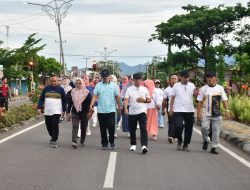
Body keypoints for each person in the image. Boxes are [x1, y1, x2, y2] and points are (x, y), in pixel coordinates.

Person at [197, 72, 229, 154]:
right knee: (204, 127)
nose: (209, 79)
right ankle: (206, 139)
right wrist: (198, 113)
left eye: (211, 77)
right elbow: (199, 102)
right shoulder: (203, 89)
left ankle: (214, 147)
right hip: (205, 113)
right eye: (208, 77)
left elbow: (224, 100)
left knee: (216, 131)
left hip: (216, 114)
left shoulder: (220, 88)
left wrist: (227, 110)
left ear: (215, 78)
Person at [89, 69, 121, 150]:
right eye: (103, 77)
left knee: (111, 126)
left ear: (109, 76)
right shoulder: (98, 85)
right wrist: (91, 105)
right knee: (102, 128)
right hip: (101, 110)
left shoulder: (114, 86)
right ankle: (104, 143)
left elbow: (117, 97)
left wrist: (119, 107)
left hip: (111, 110)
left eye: (106, 77)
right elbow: (95, 96)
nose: (104, 78)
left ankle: (112, 142)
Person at [169, 71, 198, 151]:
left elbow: (196, 97)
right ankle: (180, 140)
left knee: (189, 129)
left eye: (188, 77)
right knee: (178, 126)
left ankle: (186, 145)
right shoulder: (176, 86)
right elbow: (172, 98)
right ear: (180, 77)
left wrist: (196, 94)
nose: (186, 79)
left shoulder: (192, 85)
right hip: (178, 110)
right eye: (185, 77)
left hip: (189, 110)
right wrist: (171, 109)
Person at [124, 73, 151, 154]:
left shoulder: (144, 89)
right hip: (132, 112)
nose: (138, 81)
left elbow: (149, 100)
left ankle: (144, 146)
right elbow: (126, 100)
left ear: (141, 80)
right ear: (133, 80)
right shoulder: (129, 89)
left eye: (140, 79)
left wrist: (144, 100)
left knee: (143, 129)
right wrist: (125, 109)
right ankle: (133, 144)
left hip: (142, 111)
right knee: (132, 129)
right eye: (136, 79)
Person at [37, 74, 66, 148]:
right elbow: (41, 98)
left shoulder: (61, 89)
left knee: (55, 125)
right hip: (48, 111)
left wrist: (64, 110)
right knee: (48, 126)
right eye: (52, 81)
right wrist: (39, 108)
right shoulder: (46, 89)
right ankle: (52, 135)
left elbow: (64, 101)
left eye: (55, 81)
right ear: (50, 81)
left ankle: (54, 140)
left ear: (57, 81)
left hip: (57, 111)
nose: (53, 82)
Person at [67, 78, 92, 148]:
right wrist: (68, 112)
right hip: (75, 111)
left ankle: (82, 141)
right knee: (75, 125)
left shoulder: (86, 92)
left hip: (84, 112)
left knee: (84, 127)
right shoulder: (73, 92)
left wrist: (90, 111)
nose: (78, 85)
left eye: (80, 83)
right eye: (77, 83)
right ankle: (74, 141)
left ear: (82, 84)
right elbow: (70, 103)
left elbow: (90, 103)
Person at [162, 75, 178, 143]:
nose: (173, 80)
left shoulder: (181, 88)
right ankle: (170, 136)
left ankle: (176, 136)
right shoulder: (167, 89)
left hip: (179, 109)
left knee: (177, 123)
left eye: (175, 79)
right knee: (171, 122)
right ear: (170, 80)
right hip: (170, 109)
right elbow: (164, 101)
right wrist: (163, 109)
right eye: (172, 79)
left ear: (177, 80)